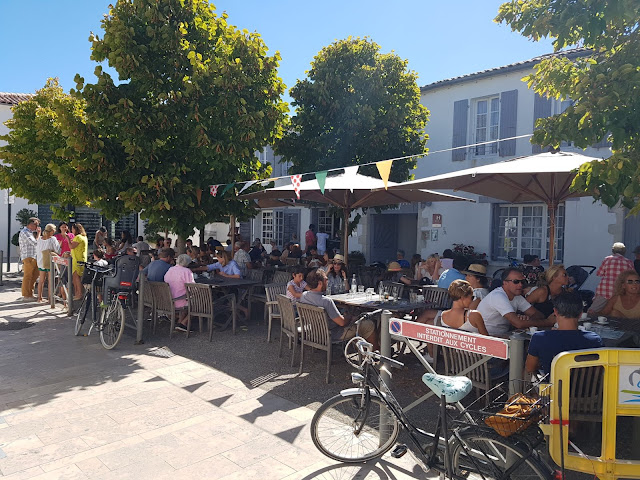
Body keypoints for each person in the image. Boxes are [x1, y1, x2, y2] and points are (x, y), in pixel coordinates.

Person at [526, 292, 603, 376]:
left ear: (555, 312)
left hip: (554, 387)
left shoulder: (539, 338)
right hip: (585, 388)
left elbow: (530, 368)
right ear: (581, 314)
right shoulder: (594, 340)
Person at [299, 269, 377, 349]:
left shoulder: (303, 296)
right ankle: (373, 352)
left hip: (313, 332)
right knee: (368, 324)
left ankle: (360, 348)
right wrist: (349, 316)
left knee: (356, 320)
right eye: (326, 280)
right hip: (331, 334)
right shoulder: (326, 301)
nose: (328, 282)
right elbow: (342, 323)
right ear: (320, 283)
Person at [477, 267, 550, 336]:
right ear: (505, 283)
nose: (520, 285)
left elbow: (539, 315)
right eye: (516, 282)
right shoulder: (498, 296)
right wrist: (548, 322)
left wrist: (527, 319)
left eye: (523, 282)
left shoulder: (517, 296)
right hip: (478, 337)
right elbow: (518, 324)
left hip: (499, 337)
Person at [590, 242, 634, 313]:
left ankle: (588, 322)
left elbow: (599, 273)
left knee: (593, 310)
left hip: (605, 290)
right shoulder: (628, 262)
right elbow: (632, 277)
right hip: (619, 291)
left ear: (613, 251)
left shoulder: (607, 259)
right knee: (615, 312)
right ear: (624, 252)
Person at [164, 254, 195, 332]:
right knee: (199, 303)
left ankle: (180, 322)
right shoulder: (187, 271)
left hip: (169, 299)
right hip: (180, 300)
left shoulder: (170, 269)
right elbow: (191, 287)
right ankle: (184, 323)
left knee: (186, 296)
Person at [36, 224, 61, 303]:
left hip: (41, 261)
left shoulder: (40, 239)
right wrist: (60, 244)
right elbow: (58, 250)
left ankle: (39, 298)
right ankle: (50, 299)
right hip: (49, 261)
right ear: (52, 231)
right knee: (51, 280)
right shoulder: (52, 239)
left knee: (41, 280)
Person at [18, 217, 41, 301]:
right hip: (28, 257)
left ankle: (30, 293)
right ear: (31, 224)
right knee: (28, 276)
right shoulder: (25, 232)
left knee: (34, 276)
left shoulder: (30, 232)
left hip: (33, 256)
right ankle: (26, 295)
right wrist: (38, 234)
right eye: (36, 225)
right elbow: (35, 243)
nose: (37, 227)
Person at [67, 223, 88, 301]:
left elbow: (71, 246)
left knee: (77, 277)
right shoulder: (83, 237)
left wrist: (68, 239)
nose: (72, 231)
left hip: (78, 259)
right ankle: (77, 293)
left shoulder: (78, 237)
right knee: (75, 277)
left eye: (72, 229)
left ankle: (79, 294)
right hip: (79, 258)